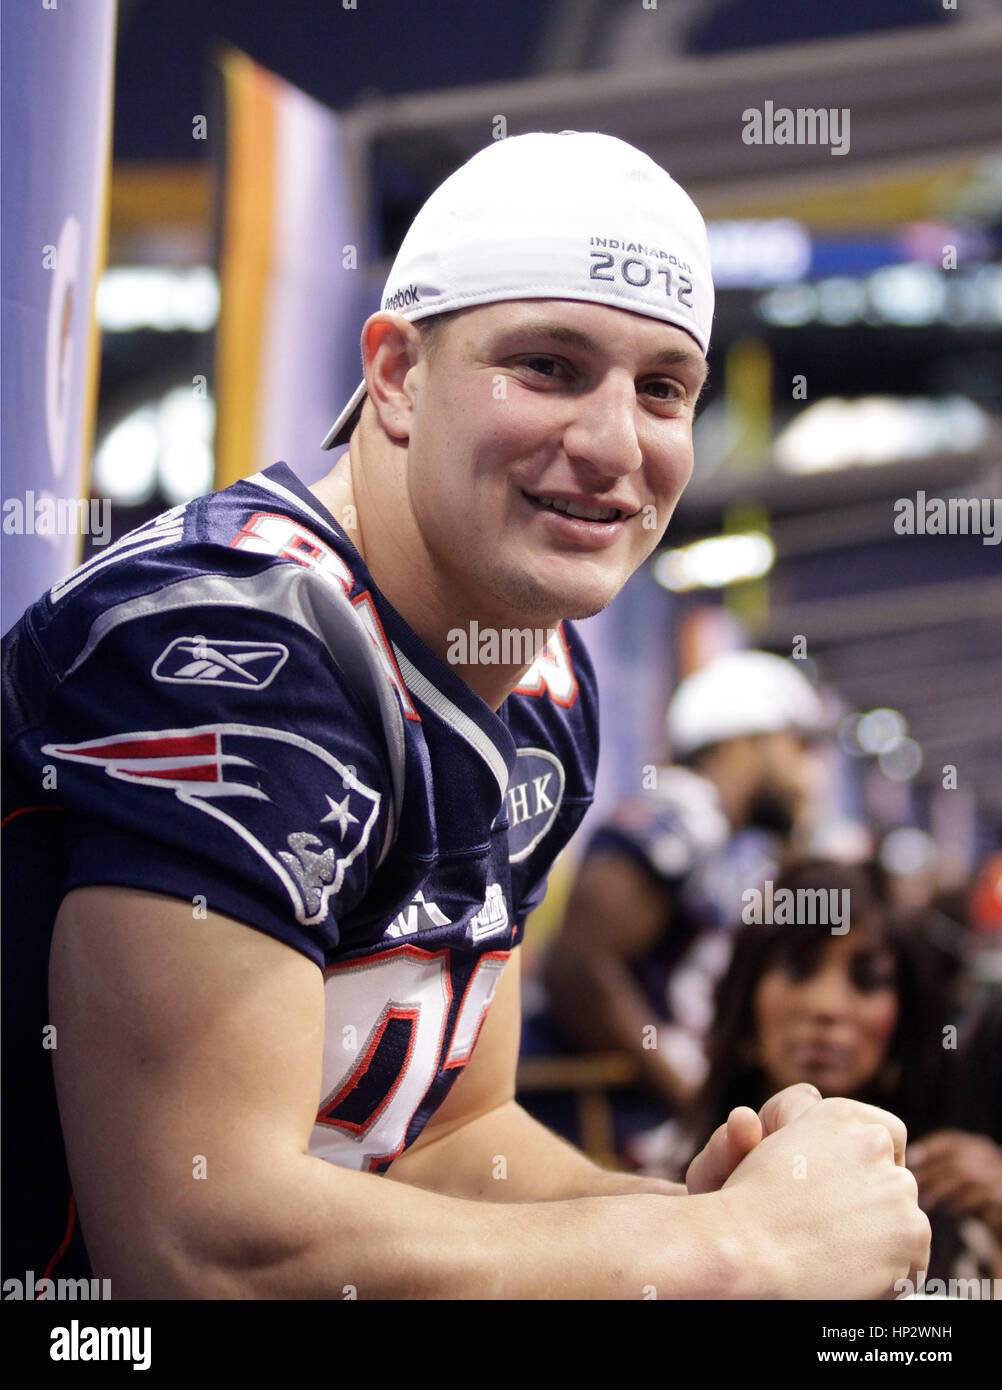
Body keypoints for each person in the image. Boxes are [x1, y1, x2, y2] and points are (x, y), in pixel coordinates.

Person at [1, 131, 929, 1299]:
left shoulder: (540, 684)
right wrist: (729, 1254)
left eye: (661, 390)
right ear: (394, 373)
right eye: (545, 366)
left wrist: (710, 1208)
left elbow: (450, 1140)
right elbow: (198, 1245)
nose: (609, 445)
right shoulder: (233, 644)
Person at [529, 649, 823, 1152]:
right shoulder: (677, 815)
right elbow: (579, 969)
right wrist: (694, 1095)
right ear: (746, 742)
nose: (807, 777)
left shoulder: (717, 832)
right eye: (796, 747)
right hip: (596, 1116)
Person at [663, 859, 1002, 1285]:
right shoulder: (663, 1187)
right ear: (746, 999)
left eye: (867, 980)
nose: (828, 1006)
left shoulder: (958, 1208)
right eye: (799, 970)